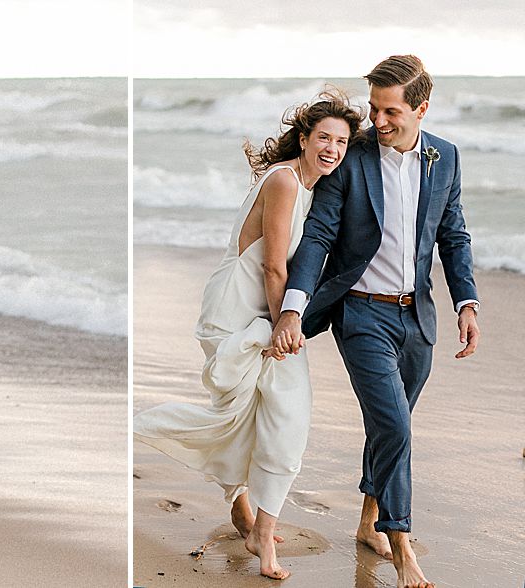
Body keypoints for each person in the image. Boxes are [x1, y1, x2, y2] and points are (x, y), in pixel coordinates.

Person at [134, 90, 362, 579]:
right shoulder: (283, 181)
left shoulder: (314, 187)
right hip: (237, 309)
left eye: (341, 141)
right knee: (240, 414)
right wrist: (287, 324)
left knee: (276, 414)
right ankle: (139, 429)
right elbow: (275, 266)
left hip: (264, 312)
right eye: (323, 137)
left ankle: (251, 514)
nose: (332, 149)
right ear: (303, 139)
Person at [272, 55, 479, 588]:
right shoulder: (355, 156)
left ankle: (366, 521)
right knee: (395, 424)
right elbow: (319, 232)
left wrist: (467, 304)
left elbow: (453, 235)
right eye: (373, 108)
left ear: (420, 109)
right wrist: (294, 306)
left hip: (418, 317)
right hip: (360, 312)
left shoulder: (445, 157)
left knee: (392, 424)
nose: (377, 121)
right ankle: (401, 543)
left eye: (389, 111)